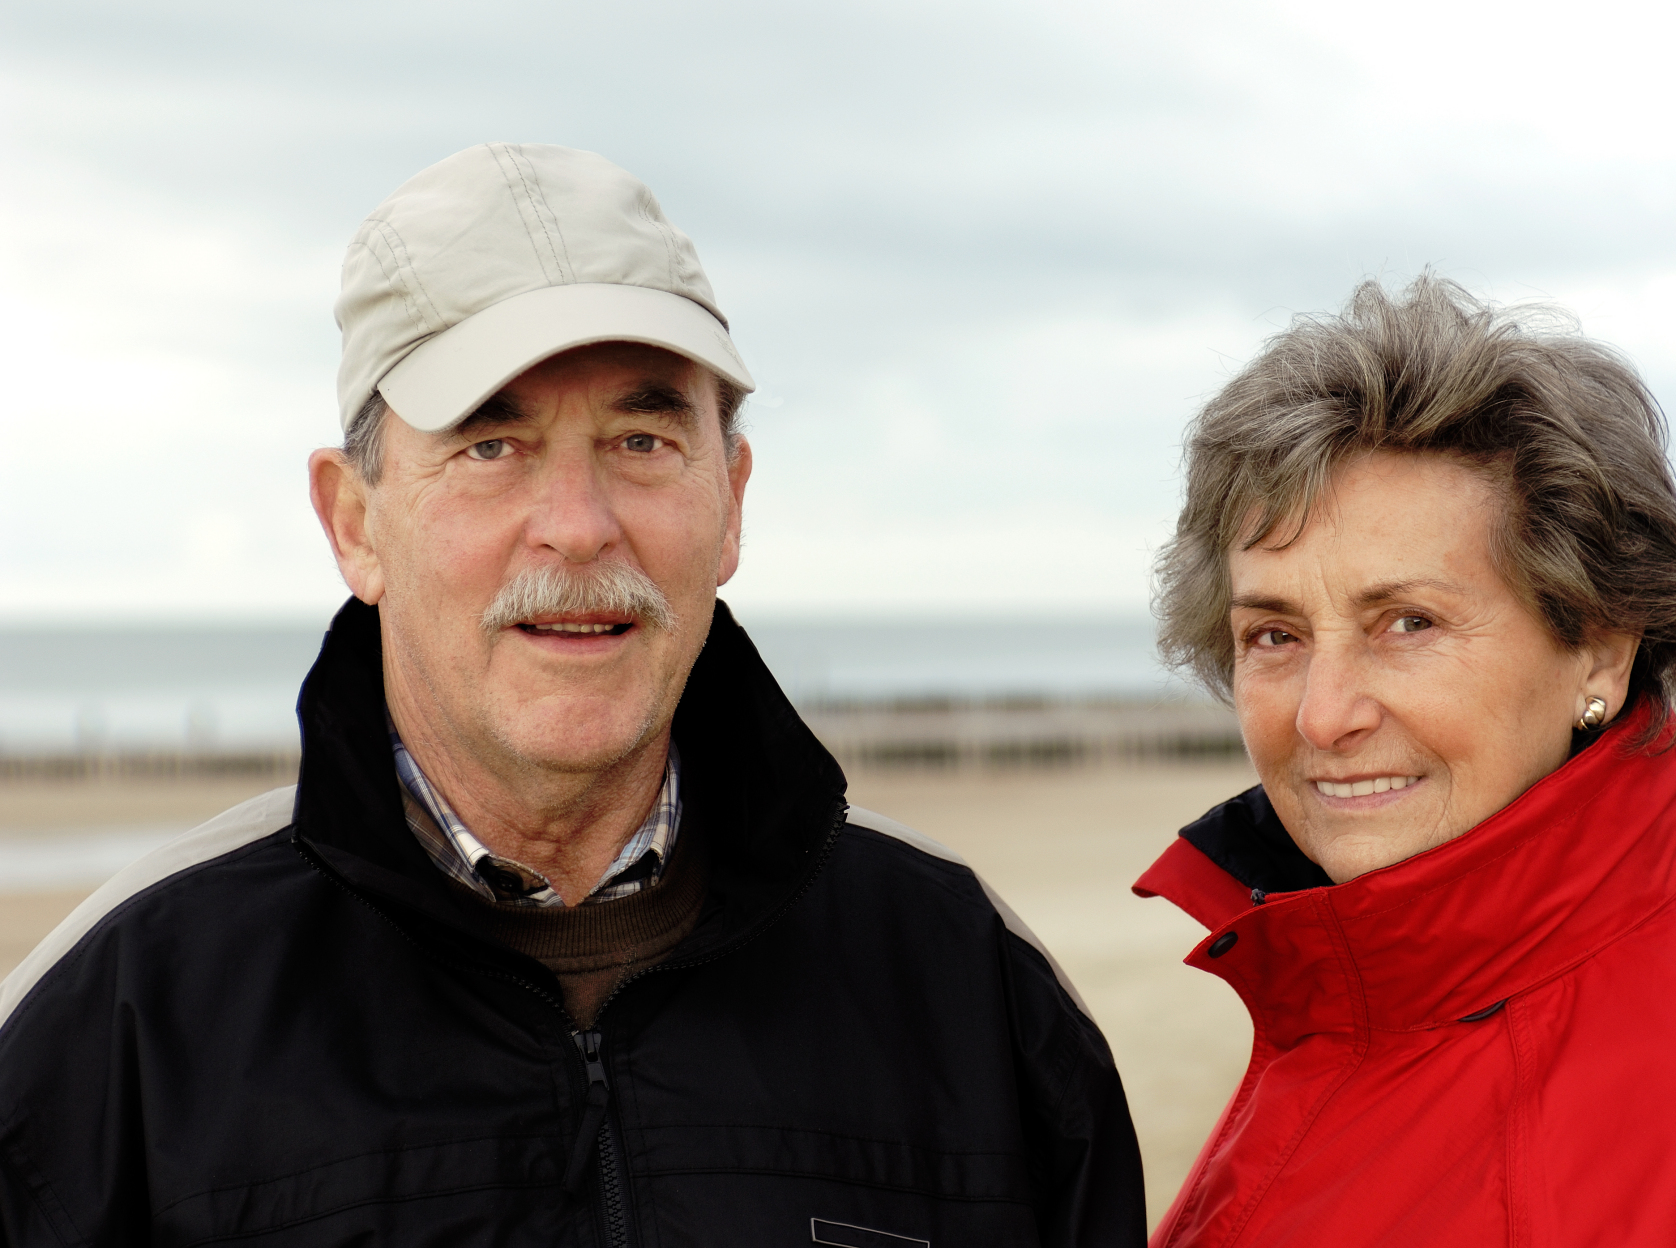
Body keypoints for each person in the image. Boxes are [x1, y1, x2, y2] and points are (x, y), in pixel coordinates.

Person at [0, 143, 1146, 1247]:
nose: (580, 524)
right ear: (355, 522)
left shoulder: (963, 981)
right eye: (491, 446)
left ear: (731, 498)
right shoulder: (125, 1016)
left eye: (641, 439)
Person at [1134, 277, 1676, 1246]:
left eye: (1408, 622)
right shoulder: (1364, 1002)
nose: (1320, 716)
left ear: (1599, 648)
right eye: (1272, 634)